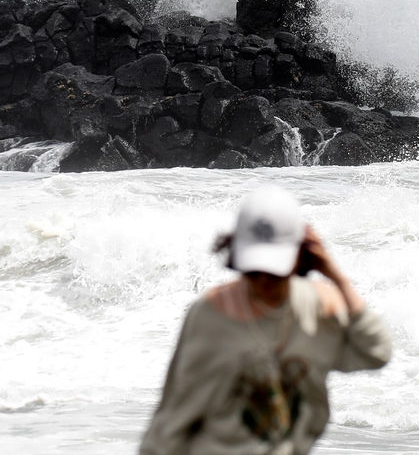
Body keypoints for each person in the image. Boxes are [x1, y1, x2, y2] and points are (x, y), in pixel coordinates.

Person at [139, 185, 392, 454]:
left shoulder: (319, 307)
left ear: (300, 255)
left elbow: (376, 352)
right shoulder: (210, 314)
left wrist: (335, 275)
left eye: (274, 272)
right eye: (253, 270)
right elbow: (172, 418)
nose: (262, 282)